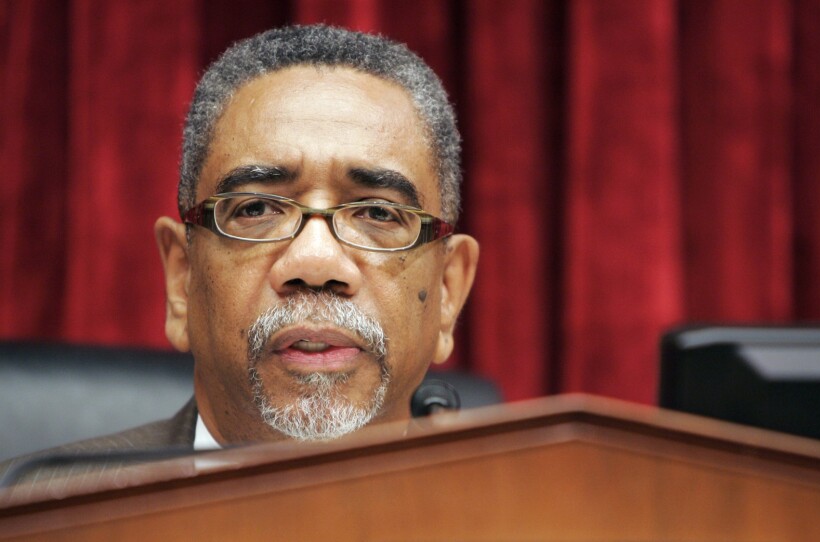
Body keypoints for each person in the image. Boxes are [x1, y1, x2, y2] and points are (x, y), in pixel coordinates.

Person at [0, 24, 478, 486]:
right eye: (256, 208)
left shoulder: (532, 518)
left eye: (377, 212)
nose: (315, 264)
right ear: (181, 278)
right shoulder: (29, 516)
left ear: (448, 291)